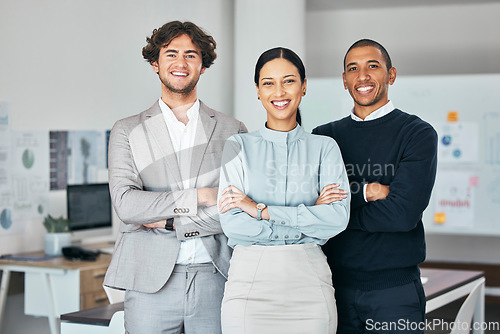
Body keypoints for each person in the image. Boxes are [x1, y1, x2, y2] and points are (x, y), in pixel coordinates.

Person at [103, 21, 247, 334]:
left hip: (216, 275)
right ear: (155, 63)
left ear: (202, 66)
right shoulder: (127, 131)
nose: (180, 63)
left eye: (191, 55)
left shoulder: (232, 129)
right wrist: (202, 196)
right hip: (149, 281)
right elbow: (127, 205)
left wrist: (169, 221)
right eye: (171, 54)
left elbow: (236, 208)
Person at [217, 47, 350, 334]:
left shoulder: (325, 147)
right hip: (249, 288)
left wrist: (260, 210)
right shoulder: (237, 147)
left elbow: (337, 219)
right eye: (268, 83)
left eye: (289, 81)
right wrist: (310, 217)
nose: (279, 91)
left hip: (310, 286)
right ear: (257, 90)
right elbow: (234, 226)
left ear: (303, 86)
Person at [312, 39, 438, 333]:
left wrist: (338, 211)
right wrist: (368, 191)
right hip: (332, 288)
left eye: (373, 66)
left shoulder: (417, 134)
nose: (362, 76)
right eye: (353, 69)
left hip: (394, 293)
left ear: (390, 75)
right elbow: (310, 204)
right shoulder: (324, 138)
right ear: (344, 81)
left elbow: (402, 214)